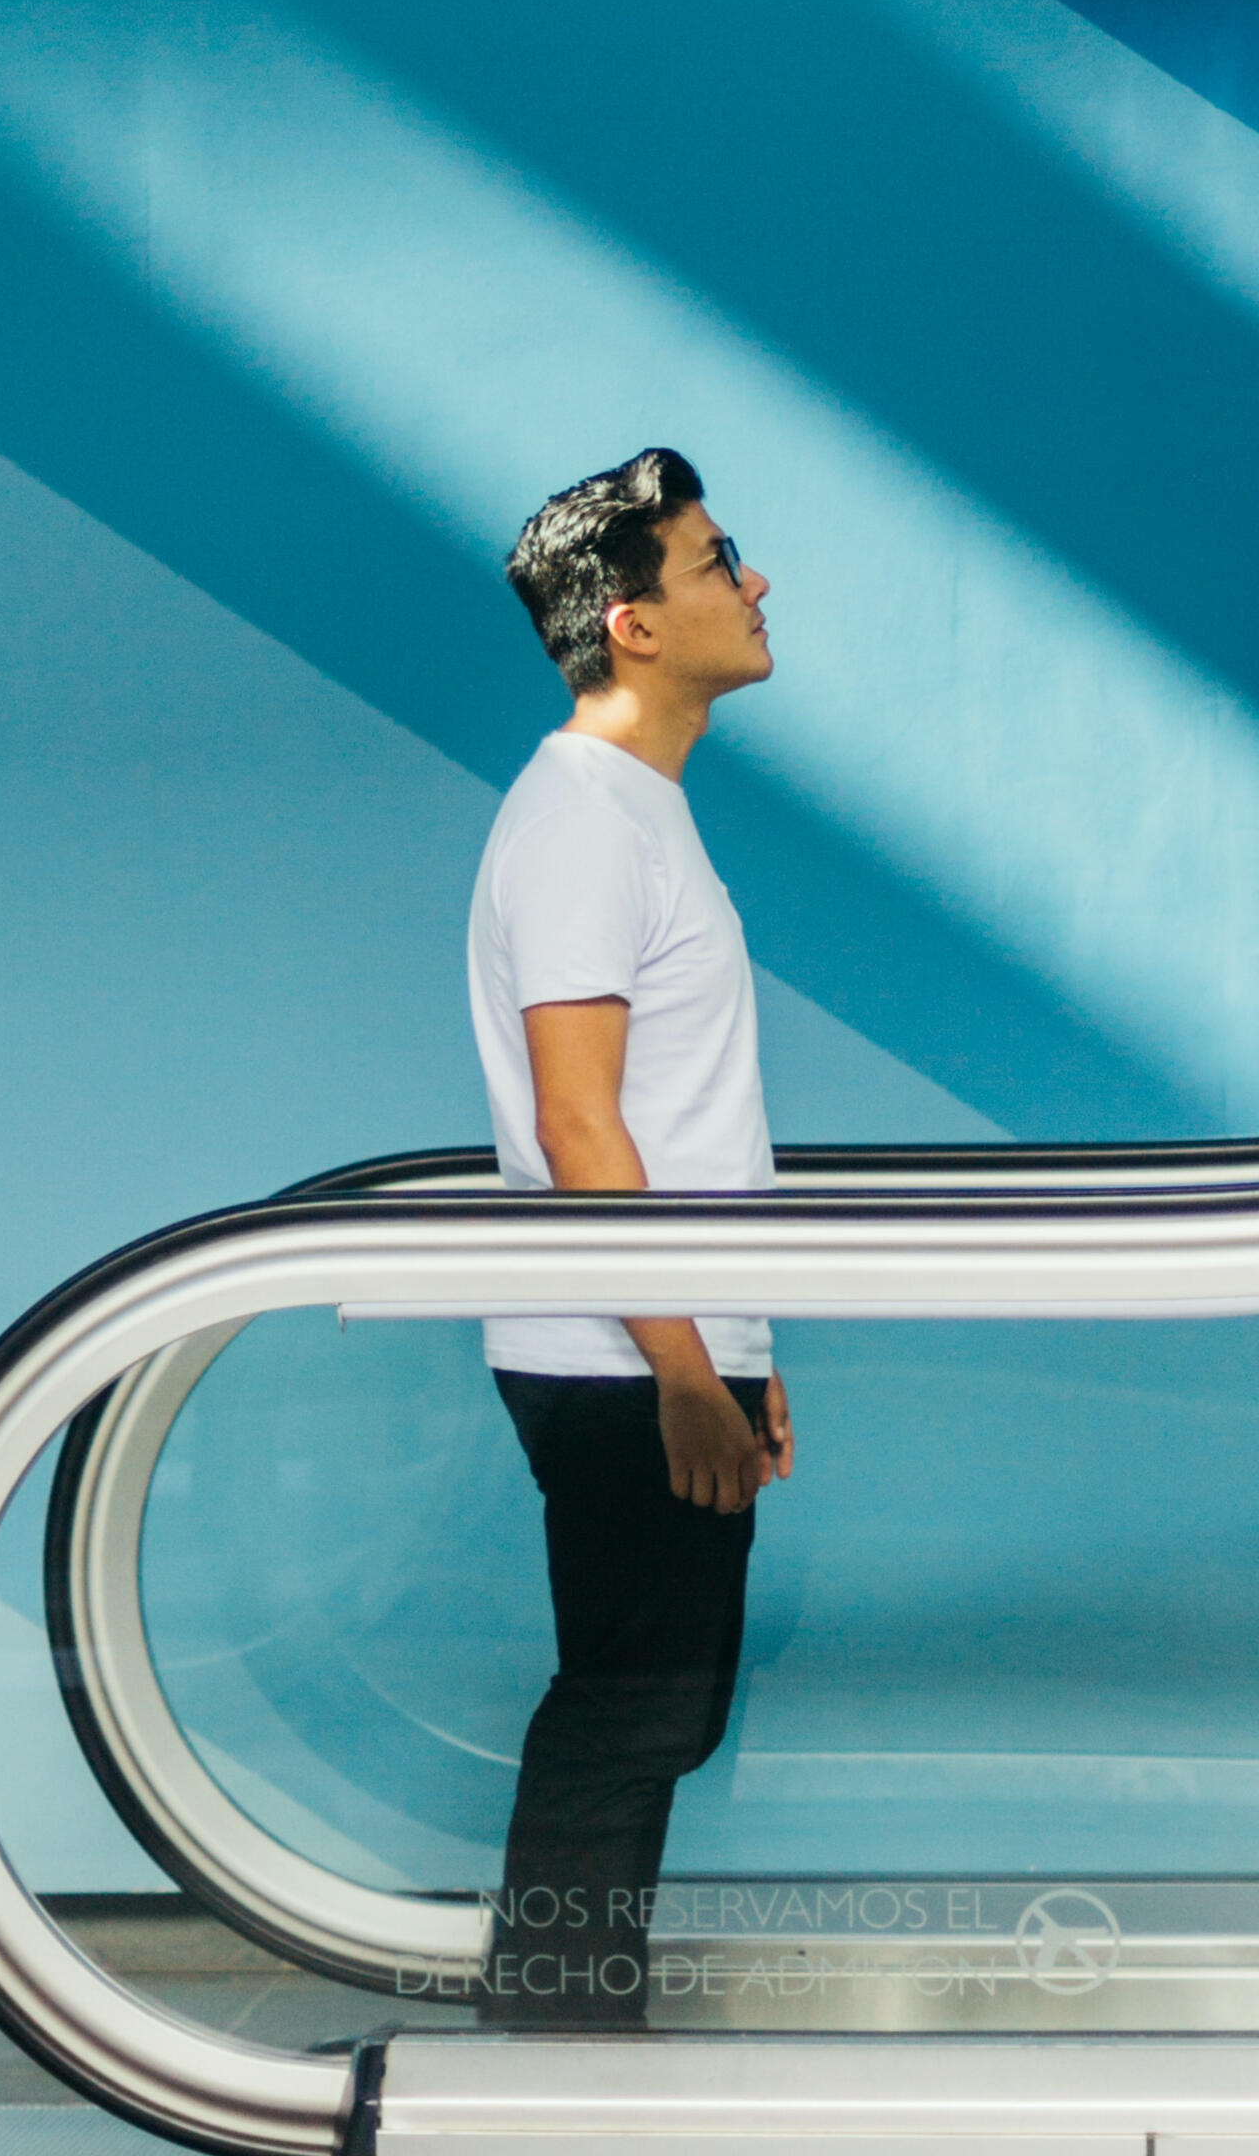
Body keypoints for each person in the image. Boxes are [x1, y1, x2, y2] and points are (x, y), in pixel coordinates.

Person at [466, 447, 793, 2030]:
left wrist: (738, 1348)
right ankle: (543, 2066)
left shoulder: (632, 813)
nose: (752, 582)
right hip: (613, 1356)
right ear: (634, 623)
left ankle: (569, 2048)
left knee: (653, 1708)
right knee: (629, 1708)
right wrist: (679, 1363)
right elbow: (578, 1120)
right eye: (718, 559)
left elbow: (679, 1112)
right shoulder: (585, 820)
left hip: (655, 1344)